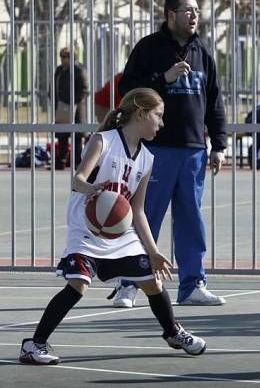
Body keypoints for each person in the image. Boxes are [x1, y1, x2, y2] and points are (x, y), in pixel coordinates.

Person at [18, 88, 207, 365]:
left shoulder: (147, 159)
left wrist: (153, 251)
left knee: (152, 283)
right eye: (158, 115)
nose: (162, 123)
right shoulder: (103, 141)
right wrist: (92, 188)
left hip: (121, 233)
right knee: (78, 284)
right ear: (141, 113)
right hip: (87, 227)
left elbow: (138, 210)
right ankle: (34, 345)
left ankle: (172, 332)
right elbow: (77, 179)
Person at [113, 0, 227, 308]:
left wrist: (219, 144)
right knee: (145, 215)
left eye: (196, 10)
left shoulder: (203, 51)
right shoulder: (149, 48)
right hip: (156, 149)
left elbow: (215, 101)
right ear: (170, 14)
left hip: (192, 149)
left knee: (191, 218)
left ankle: (192, 284)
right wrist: (163, 78)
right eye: (186, 10)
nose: (193, 16)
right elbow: (127, 89)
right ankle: (130, 283)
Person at [54, 47, 89, 169]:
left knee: (76, 136)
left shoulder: (78, 69)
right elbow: (53, 87)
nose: (63, 59)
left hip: (76, 108)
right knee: (62, 136)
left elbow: (84, 88)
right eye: (62, 56)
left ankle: (77, 162)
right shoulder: (59, 70)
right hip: (61, 107)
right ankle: (60, 161)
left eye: (66, 56)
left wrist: (75, 101)